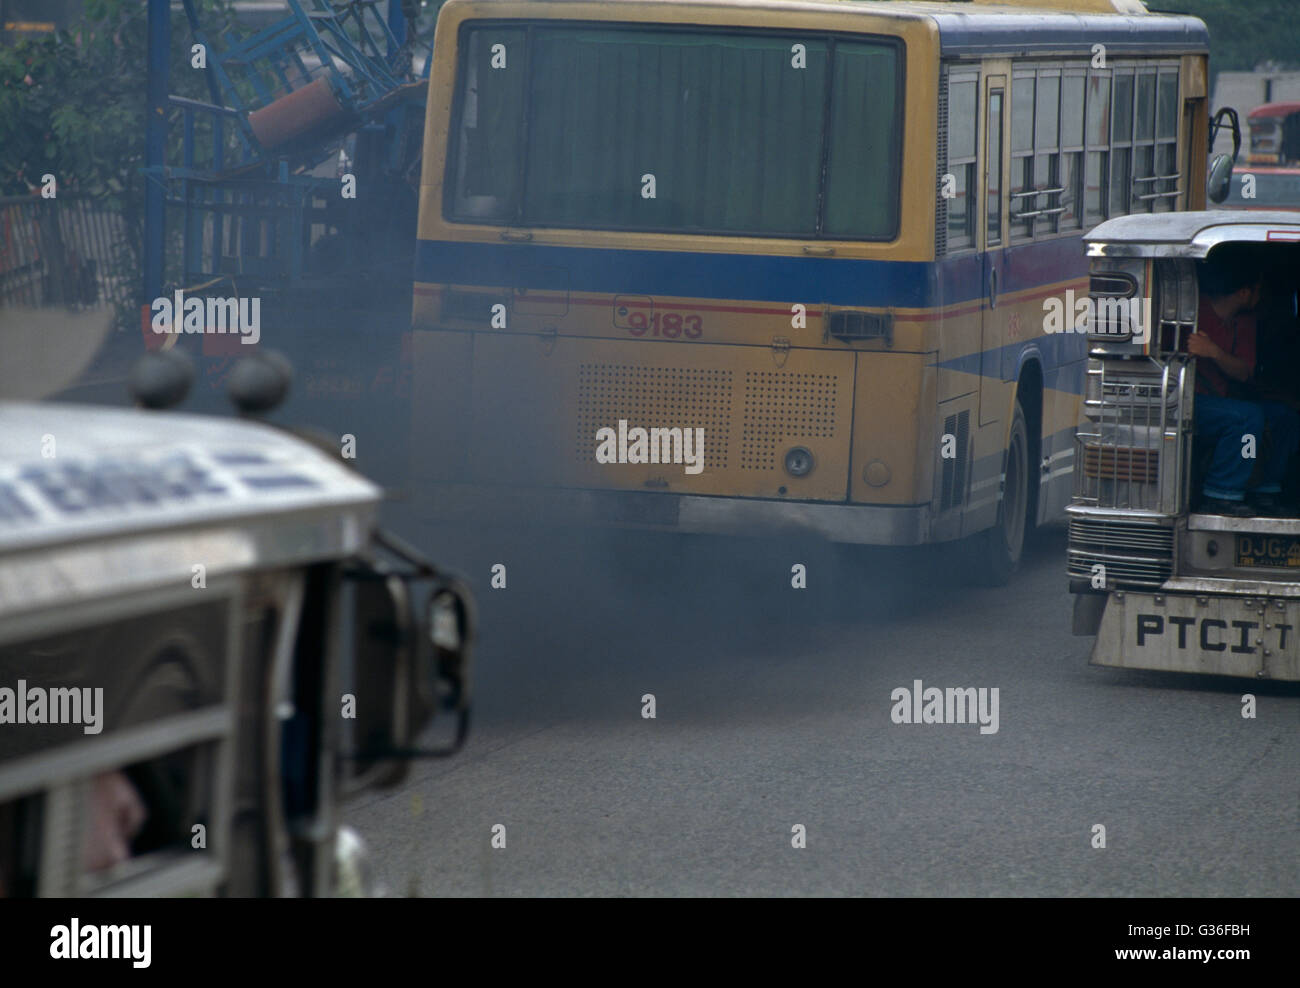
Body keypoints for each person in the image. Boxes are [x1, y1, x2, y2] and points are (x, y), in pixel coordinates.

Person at [1187, 249, 1300, 517]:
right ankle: (1222, 492)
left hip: (1224, 402)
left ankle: (1265, 488)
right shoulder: (1195, 310)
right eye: (1258, 288)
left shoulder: (1244, 323)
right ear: (1244, 292)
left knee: (1285, 417)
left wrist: (1213, 352)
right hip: (1191, 402)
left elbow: (1243, 373)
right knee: (1246, 420)